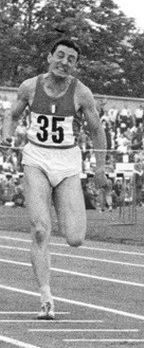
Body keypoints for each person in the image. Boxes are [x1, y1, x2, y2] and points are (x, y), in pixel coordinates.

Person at [1, 39, 108, 320]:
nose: (64, 62)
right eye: (60, 56)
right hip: (36, 158)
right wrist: (6, 135)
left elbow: (98, 132)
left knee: (74, 238)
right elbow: (10, 115)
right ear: (49, 58)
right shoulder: (29, 86)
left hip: (68, 162)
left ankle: (65, 214)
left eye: (70, 59)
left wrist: (100, 168)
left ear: (75, 65)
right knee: (39, 229)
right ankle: (46, 296)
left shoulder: (81, 93)